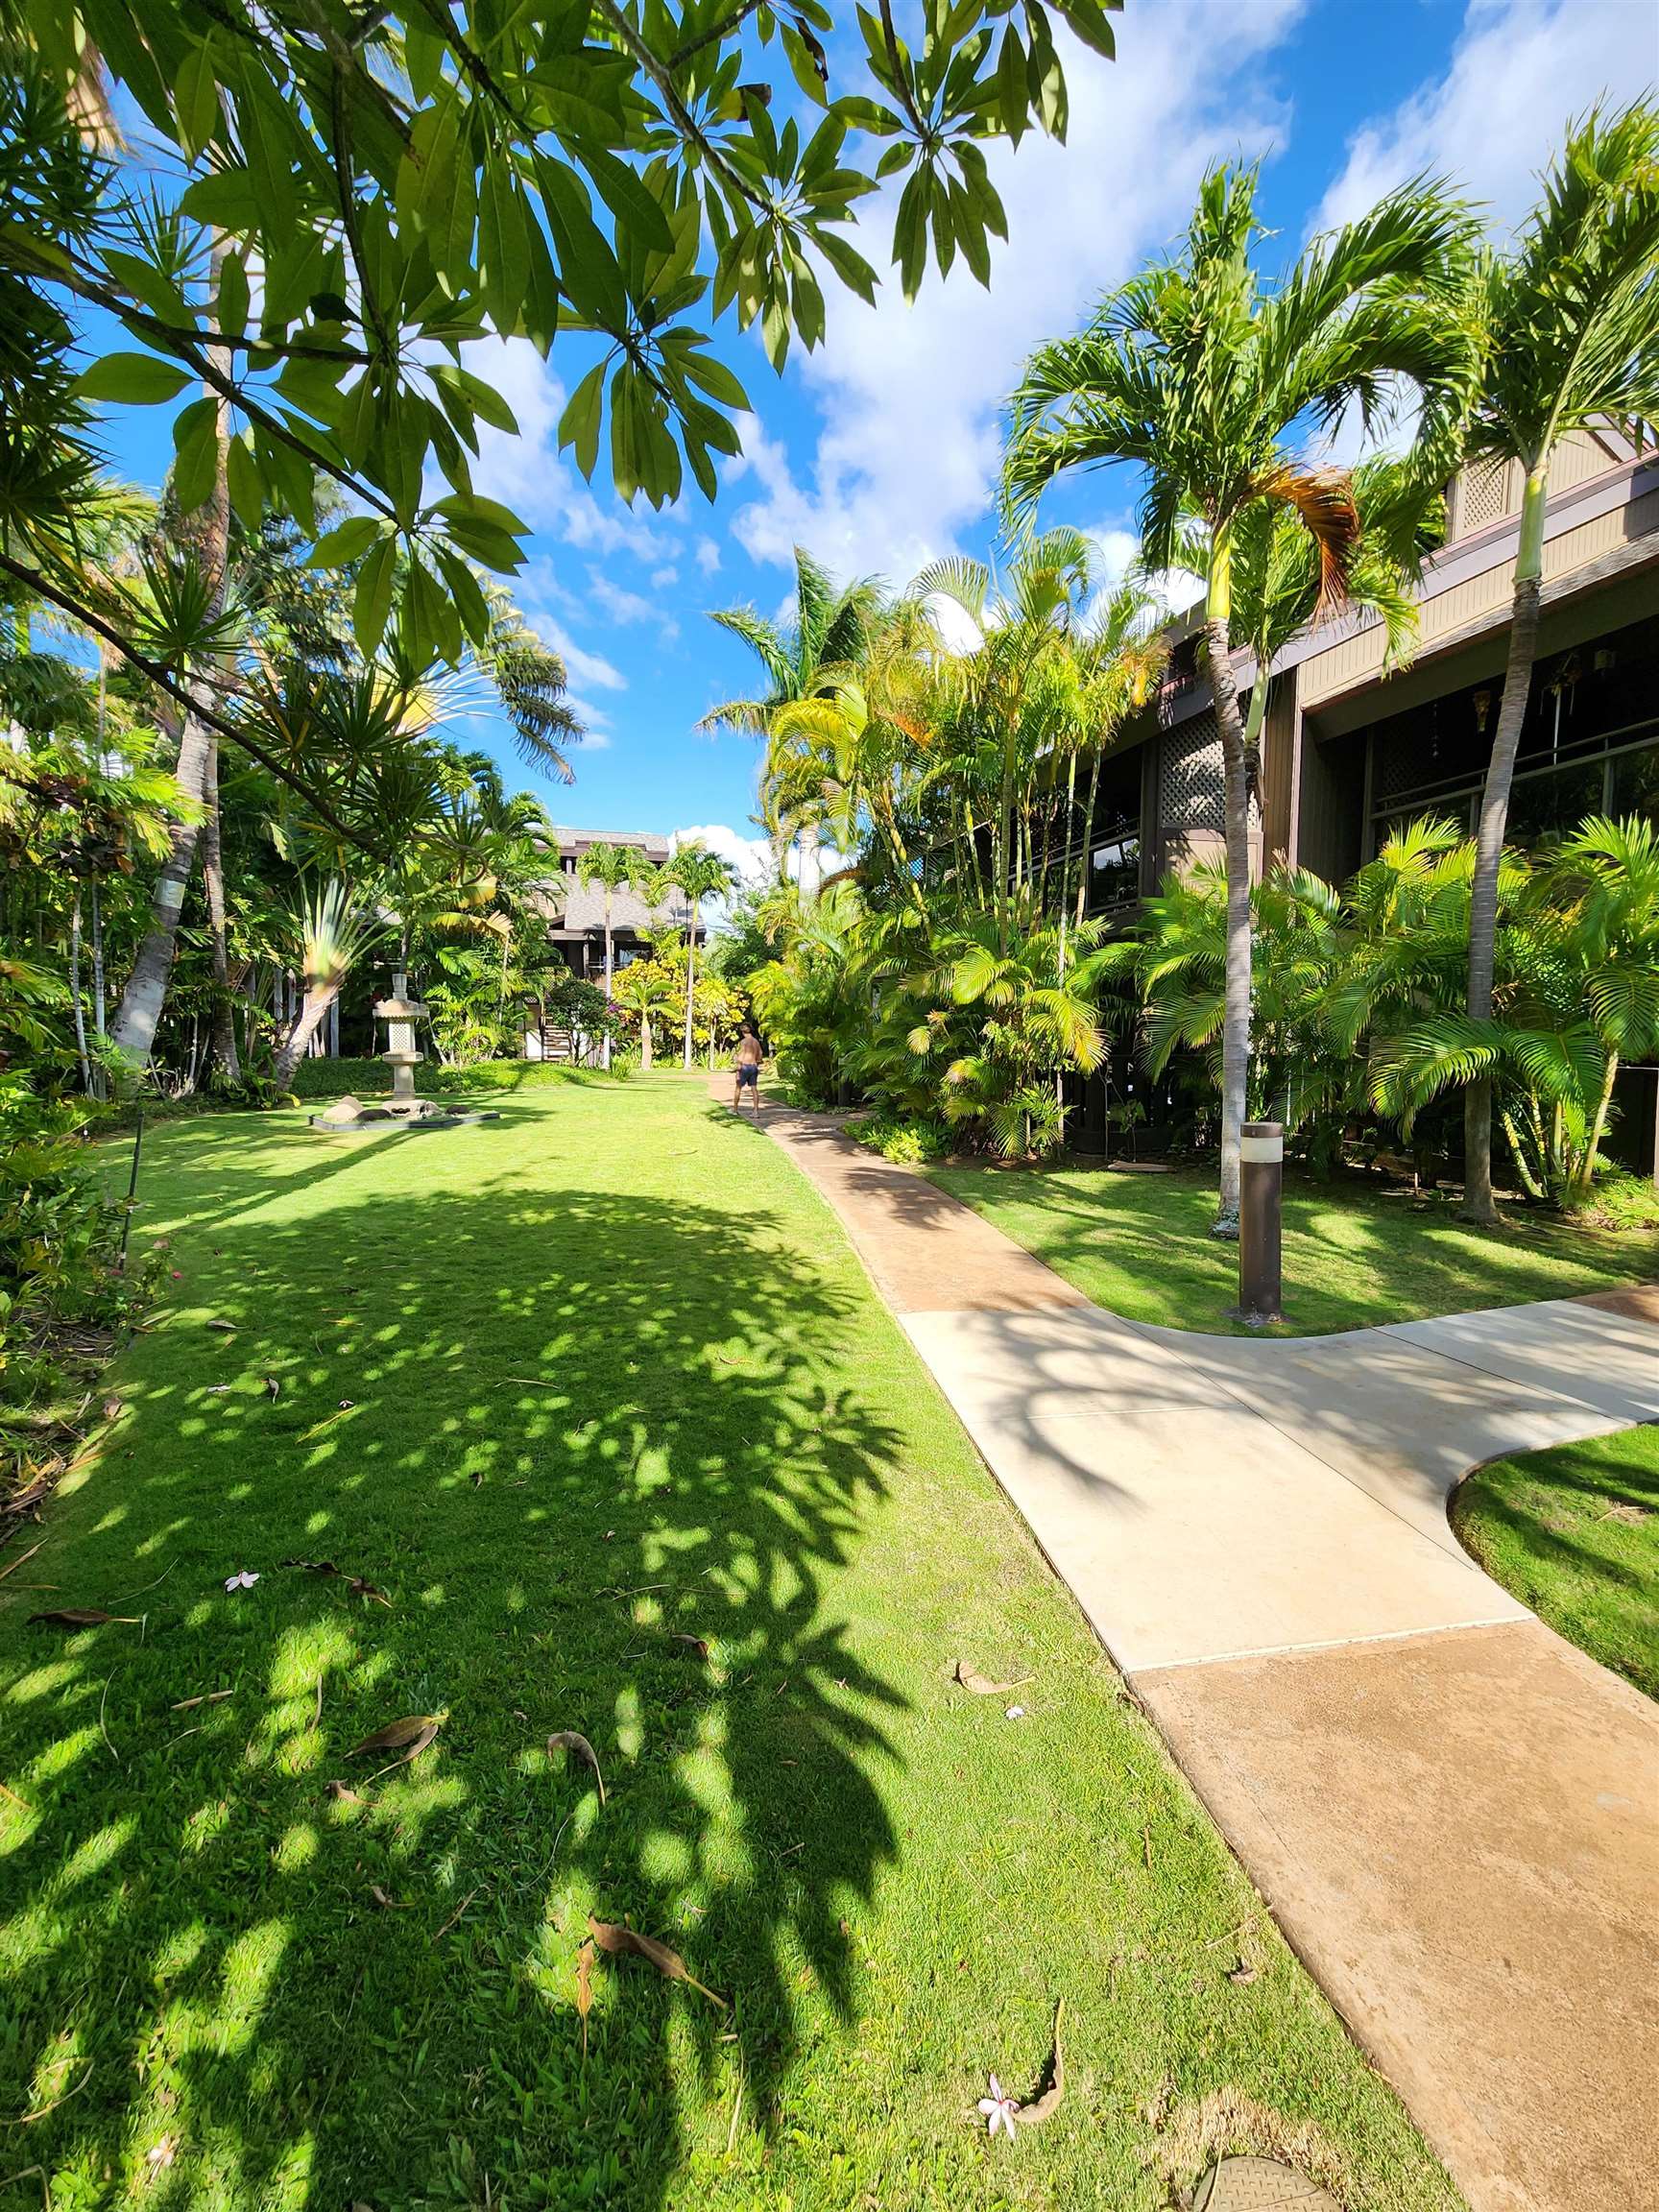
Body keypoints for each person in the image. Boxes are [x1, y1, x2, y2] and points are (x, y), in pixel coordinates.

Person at [733, 1022, 763, 1115]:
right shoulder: (756, 1041)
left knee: (738, 1087)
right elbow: (760, 1054)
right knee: (754, 1089)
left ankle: (735, 1110)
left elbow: (741, 1056)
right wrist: (756, 1061)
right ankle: (756, 1111)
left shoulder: (743, 1042)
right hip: (753, 1066)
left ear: (742, 1032)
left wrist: (738, 1068)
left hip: (744, 1067)